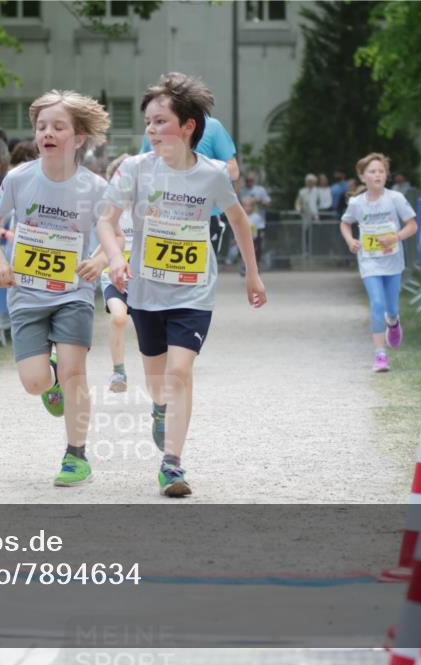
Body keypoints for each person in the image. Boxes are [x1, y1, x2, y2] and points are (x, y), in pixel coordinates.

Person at [97, 72, 267, 497]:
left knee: (179, 371)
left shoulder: (211, 174)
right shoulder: (135, 169)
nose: (151, 130)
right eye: (148, 122)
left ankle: (172, 465)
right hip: (146, 292)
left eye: (161, 122)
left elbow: (239, 220)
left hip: (193, 291)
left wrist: (251, 272)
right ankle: (159, 407)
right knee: (158, 382)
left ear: (188, 126)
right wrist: (116, 258)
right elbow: (105, 219)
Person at [0, 89, 110, 487]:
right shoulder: (20, 178)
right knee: (35, 381)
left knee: (76, 370)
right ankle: (49, 381)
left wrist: (101, 260)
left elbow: (117, 237)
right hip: (27, 293)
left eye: (58, 126)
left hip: (73, 291)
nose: (47, 133)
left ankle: (76, 455)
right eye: (41, 127)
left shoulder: (96, 188)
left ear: (79, 137)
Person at [339, 152, 417, 373]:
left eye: (381, 171)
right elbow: (345, 224)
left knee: (391, 308)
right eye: (372, 171)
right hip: (369, 261)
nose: (377, 175)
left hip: (392, 261)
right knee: (377, 304)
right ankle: (380, 356)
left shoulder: (395, 199)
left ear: (386, 175)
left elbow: (412, 225)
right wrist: (350, 240)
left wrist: (396, 237)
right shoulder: (356, 203)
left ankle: (393, 321)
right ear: (363, 177)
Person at [140, 114, 238, 257]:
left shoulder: (212, 126)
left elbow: (233, 171)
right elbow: (143, 171)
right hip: (162, 216)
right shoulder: (153, 129)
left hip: (203, 216)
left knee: (199, 276)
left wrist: (196, 173)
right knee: (159, 274)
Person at [95, 154, 136, 393]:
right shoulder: (110, 211)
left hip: (145, 278)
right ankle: (118, 372)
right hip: (114, 274)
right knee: (119, 318)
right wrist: (94, 261)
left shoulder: (152, 206)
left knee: (151, 331)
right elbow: (105, 239)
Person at [238, 172, 271, 273]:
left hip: (256, 224)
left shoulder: (260, 190)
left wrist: (259, 201)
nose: (248, 182)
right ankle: (245, 267)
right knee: (244, 250)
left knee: (257, 250)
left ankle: (256, 267)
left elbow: (268, 203)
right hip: (245, 222)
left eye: (250, 180)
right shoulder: (242, 191)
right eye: (247, 180)